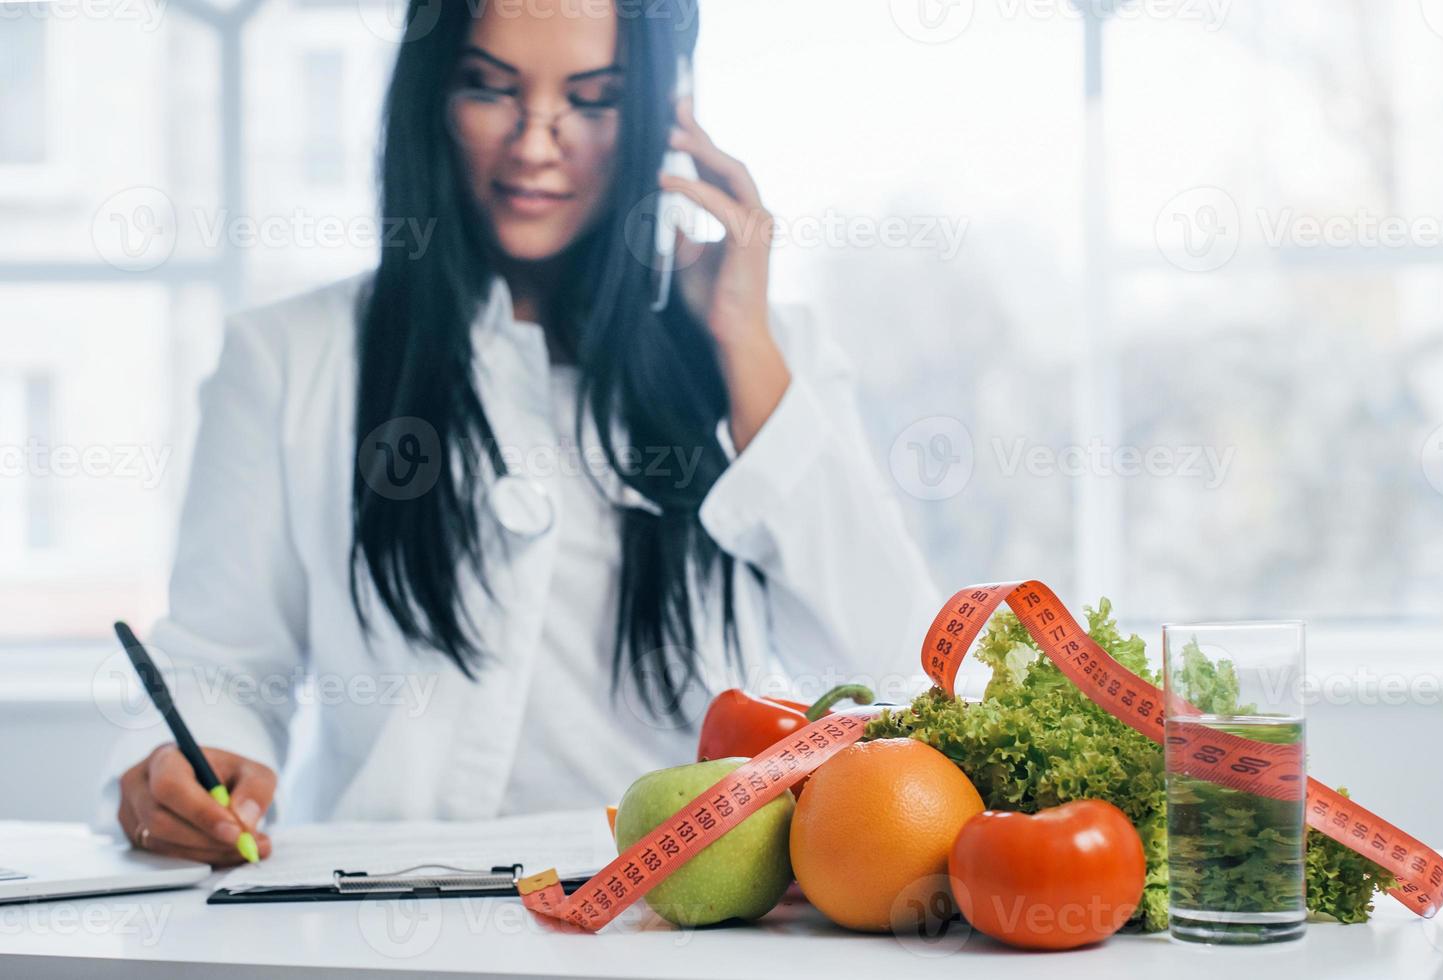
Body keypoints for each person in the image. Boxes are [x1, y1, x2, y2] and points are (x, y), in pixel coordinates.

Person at [104, 0, 939, 866]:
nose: (537, 145)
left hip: (665, 925)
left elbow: (896, 675)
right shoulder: (286, 356)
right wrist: (181, 766)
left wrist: (745, 351)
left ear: (663, 114)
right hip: (363, 915)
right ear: (430, 97)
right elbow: (224, 668)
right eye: (490, 88)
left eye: (594, 98)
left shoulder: (766, 348)